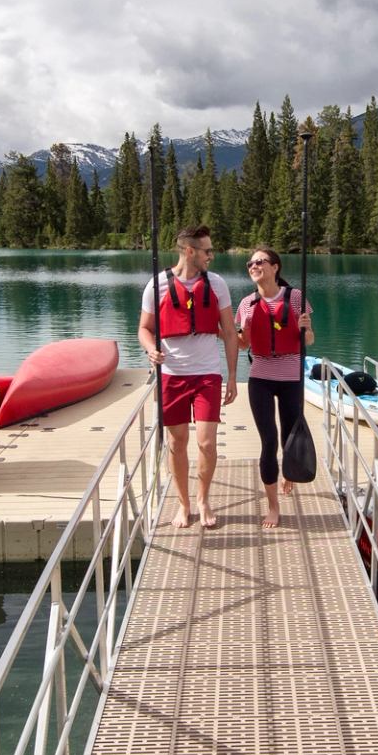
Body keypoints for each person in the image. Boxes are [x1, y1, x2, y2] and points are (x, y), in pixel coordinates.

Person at [138, 225, 238, 528]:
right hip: (172, 375)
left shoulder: (217, 284)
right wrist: (150, 349)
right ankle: (183, 504)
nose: (212, 256)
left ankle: (203, 499)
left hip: (207, 374)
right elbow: (144, 329)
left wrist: (232, 376)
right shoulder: (157, 286)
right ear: (189, 251)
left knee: (207, 443)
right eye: (207, 251)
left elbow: (231, 333)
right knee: (176, 441)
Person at [235, 248, 314, 529]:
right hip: (261, 377)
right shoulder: (246, 303)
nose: (254, 266)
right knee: (268, 441)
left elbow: (310, 340)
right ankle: (273, 506)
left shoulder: (295, 298)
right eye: (251, 263)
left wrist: (306, 328)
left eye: (260, 262)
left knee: (289, 437)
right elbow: (243, 344)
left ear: (275, 267)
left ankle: (289, 472)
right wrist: (237, 333)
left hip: (291, 376)